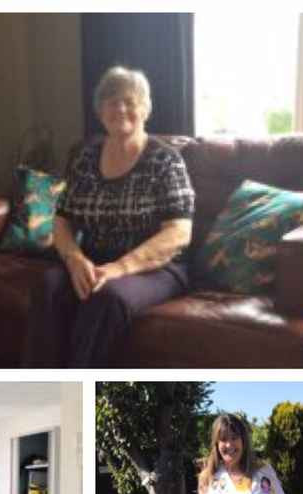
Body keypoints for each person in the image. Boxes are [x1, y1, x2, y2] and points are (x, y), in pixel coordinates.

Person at [24, 66, 194, 367]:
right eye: (111, 100)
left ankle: (79, 397)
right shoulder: (86, 158)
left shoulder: (165, 159)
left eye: (129, 100)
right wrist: (75, 260)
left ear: (145, 108)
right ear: (100, 110)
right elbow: (62, 220)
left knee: (107, 297)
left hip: (154, 268)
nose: (120, 108)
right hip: (94, 258)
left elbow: (179, 233)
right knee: (48, 285)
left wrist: (120, 268)